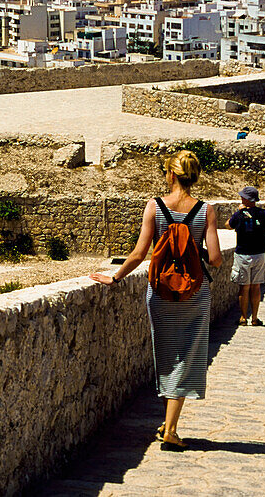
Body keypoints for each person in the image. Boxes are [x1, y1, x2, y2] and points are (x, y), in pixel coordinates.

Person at [91, 150, 223, 451]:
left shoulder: (155, 206)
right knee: (187, 356)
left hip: (160, 293)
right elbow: (215, 259)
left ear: (171, 175)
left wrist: (115, 278)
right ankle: (172, 429)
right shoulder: (207, 210)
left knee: (165, 354)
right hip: (194, 295)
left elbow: (139, 253)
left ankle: (168, 421)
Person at [228, 186, 265, 326]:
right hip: (259, 254)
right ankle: (255, 318)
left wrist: (238, 211)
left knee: (244, 287)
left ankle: (242, 318)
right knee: (256, 287)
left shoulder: (240, 214)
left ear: (246, 199)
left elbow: (228, 224)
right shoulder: (264, 214)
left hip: (242, 254)